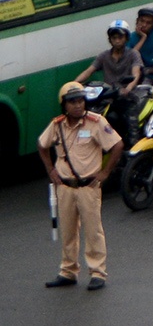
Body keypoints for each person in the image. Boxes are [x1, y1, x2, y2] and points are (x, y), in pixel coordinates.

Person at [39, 82, 123, 291]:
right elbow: (42, 145)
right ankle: (68, 271)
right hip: (65, 187)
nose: (78, 105)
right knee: (68, 231)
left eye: (80, 101)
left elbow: (117, 145)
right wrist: (51, 170)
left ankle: (97, 273)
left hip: (88, 186)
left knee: (93, 231)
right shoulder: (57, 125)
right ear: (64, 105)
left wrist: (105, 173)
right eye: (72, 102)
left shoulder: (95, 122)